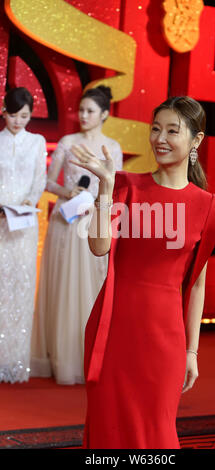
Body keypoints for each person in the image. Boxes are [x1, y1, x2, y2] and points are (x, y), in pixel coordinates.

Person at [70, 96, 215, 449]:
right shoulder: (127, 187)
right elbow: (98, 247)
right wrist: (106, 189)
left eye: (172, 131)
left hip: (164, 341)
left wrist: (192, 351)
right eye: (155, 129)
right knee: (108, 434)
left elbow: (198, 286)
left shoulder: (211, 209)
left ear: (196, 140)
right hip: (113, 330)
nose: (160, 138)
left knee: (155, 435)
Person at [30, 86, 123, 385]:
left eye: (90, 111)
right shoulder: (68, 142)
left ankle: (90, 356)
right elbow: (47, 181)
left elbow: (116, 186)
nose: (83, 116)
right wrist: (67, 191)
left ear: (105, 114)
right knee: (63, 287)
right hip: (66, 221)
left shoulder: (113, 147)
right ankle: (61, 358)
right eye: (81, 110)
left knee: (92, 288)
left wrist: (97, 200)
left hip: (93, 223)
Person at [0, 87, 47, 383]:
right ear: (3, 112)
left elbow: (39, 179)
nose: (19, 121)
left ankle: (15, 363)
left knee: (21, 287)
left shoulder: (37, 141)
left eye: (25, 116)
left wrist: (29, 201)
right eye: (14, 115)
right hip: (0, 219)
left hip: (25, 223)